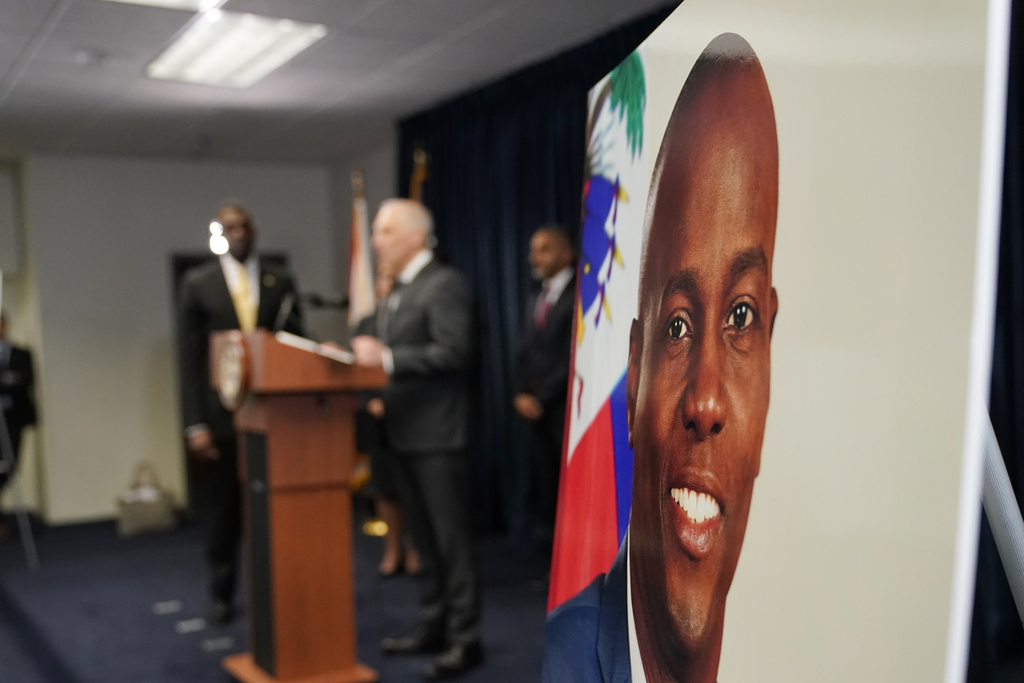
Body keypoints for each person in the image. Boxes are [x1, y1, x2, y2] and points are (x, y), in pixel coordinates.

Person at [543, 33, 779, 683]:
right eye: (677, 325)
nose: (705, 402)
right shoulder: (567, 663)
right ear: (634, 377)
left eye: (741, 316)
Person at [351, 199, 482, 679]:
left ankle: (465, 639)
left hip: (438, 437)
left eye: (384, 231)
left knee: (450, 542)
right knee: (422, 541)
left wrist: (387, 358)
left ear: (413, 235)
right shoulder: (400, 291)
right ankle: (433, 623)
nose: (375, 241)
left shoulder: (443, 285)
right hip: (402, 434)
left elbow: (455, 352)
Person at [177, 202, 303, 624]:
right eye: (228, 227)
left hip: (273, 416)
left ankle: (277, 591)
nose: (237, 233)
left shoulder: (280, 281)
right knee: (222, 512)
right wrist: (195, 423)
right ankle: (221, 594)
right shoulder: (198, 285)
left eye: (243, 226)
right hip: (221, 418)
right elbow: (190, 360)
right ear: (219, 233)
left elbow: (295, 344)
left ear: (254, 230)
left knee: (272, 509)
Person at [353, 269, 421, 577]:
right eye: (382, 279)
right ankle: (391, 549)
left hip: (410, 415)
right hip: (377, 423)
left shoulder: (412, 318)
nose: (387, 285)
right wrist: (370, 400)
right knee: (384, 488)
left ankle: (415, 548)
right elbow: (356, 370)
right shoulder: (366, 323)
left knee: (414, 488)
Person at [514, 226, 575, 552]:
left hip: (564, 408)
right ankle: (551, 563)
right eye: (533, 249)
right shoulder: (535, 297)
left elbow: (573, 356)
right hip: (536, 411)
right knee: (546, 489)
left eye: (544, 249)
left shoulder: (580, 296)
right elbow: (525, 353)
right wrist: (520, 393)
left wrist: (540, 397)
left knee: (570, 490)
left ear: (567, 254)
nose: (534, 257)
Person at [0, 310, 36, 540]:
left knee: (10, 465)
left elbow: (24, 381)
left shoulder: (21, 353)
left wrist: (8, 381)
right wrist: (7, 379)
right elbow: (11, 380)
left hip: (14, 419)